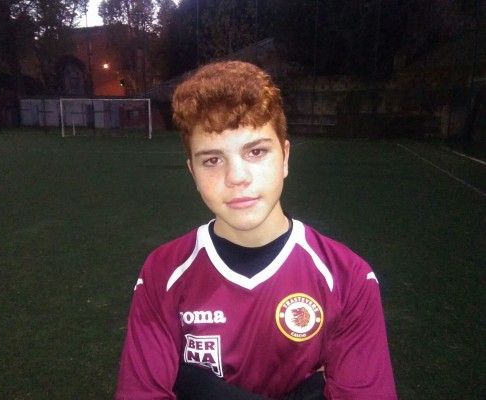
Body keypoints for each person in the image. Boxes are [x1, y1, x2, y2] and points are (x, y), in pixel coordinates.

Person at [114, 61, 397, 400]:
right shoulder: (162, 273)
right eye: (213, 160)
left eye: (256, 151)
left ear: (286, 158)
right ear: (192, 172)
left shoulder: (348, 278)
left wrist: (200, 387)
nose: (237, 177)